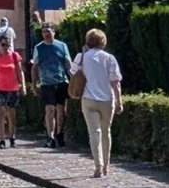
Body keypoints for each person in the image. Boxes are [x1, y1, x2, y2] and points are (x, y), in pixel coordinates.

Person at [72, 28, 123, 178]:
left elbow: (73, 72)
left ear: (88, 41)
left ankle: (98, 166)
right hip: (107, 99)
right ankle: (106, 165)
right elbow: (115, 82)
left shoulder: (81, 57)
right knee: (106, 132)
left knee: (94, 132)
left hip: (88, 98)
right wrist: (119, 101)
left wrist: (83, 55)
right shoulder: (109, 58)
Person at [32, 24, 73, 148]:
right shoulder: (39, 48)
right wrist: (34, 85)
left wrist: (74, 80)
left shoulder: (62, 46)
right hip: (46, 83)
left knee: (61, 109)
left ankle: (60, 133)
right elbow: (35, 67)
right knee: (49, 110)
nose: (46, 34)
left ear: (54, 32)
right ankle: (50, 136)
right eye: (44, 32)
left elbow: (68, 64)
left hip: (61, 82)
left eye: (48, 31)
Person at [0, 28, 24, 149]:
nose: (6, 47)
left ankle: (12, 137)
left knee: (11, 114)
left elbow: (20, 71)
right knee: (0, 112)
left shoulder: (14, 56)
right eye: (3, 45)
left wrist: (22, 85)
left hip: (12, 88)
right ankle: (2, 139)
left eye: (8, 45)